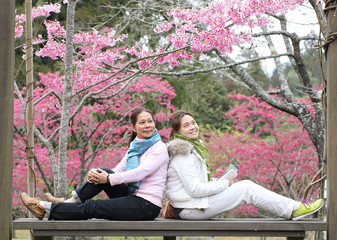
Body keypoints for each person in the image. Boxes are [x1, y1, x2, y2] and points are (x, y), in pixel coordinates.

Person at [163, 110, 323, 221]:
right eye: (186, 126)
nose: (193, 127)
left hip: (195, 205)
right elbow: (196, 190)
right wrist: (225, 183)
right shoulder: (182, 154)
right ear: (177, 132)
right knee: (246, 188)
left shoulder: (194, 149)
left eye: (193, 122)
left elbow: (199, 184)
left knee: (244, 186)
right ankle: (293, 209)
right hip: (191, 209)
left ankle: (293, 208)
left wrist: (220, 180)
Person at [21, 108, 169, 220]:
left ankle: (44, 208)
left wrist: (109, 179)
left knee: (93, 207)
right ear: (133, 128)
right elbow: (116, 170)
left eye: (150, 121)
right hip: (131, 195)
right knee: (101, 171)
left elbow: (140, 173)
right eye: (142, 122)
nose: (148, 125)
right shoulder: (135, 147)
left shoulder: (159, 148)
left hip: (146, 205)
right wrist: (98, 174)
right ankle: (69, 202)